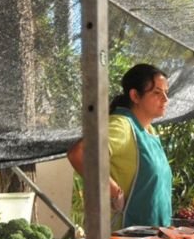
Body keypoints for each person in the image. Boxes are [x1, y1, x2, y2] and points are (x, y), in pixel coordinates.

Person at [67, 64, 173, 230]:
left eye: (166, 92)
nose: (165, 99)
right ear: (135, 96)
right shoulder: (121, 125)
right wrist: (115, 191)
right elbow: (80, 154)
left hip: (152, 236)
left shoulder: (149, 131)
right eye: (157, 93)